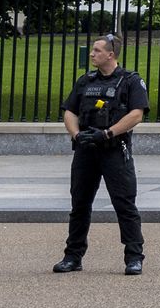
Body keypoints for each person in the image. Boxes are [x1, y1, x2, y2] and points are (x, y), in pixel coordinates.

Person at [53, 33, 149, 275]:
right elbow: (69, 111)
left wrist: (107, 133)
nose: (92, 54)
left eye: (97, 50)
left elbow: (136, 114)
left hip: (114, 150)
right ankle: (73, 256)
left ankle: (134, 257)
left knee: (124, 204)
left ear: (111, 54)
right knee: (80, 204)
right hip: (86, 151)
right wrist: (76, 135)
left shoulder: (130, 81)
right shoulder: (85, 81)